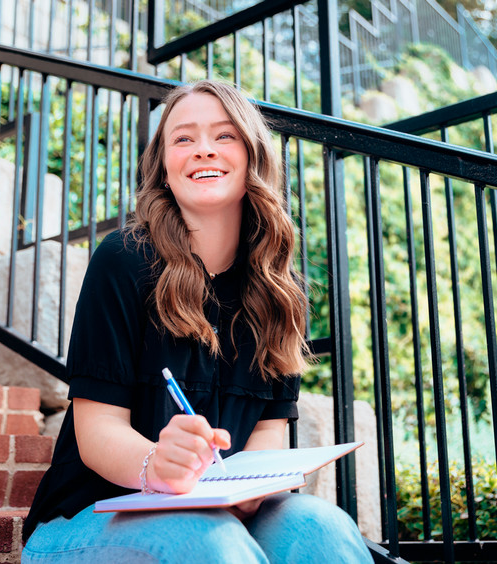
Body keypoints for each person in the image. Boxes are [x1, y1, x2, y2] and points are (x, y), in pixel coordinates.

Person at [21, 80, 372, 563]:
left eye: (224, 136)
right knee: (209, 540)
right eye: (183, 138)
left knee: (321, 526)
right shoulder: (122, 260)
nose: (203, 149)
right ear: (164, 167)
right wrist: (154, 464)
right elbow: (98, 430)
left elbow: (269, 430)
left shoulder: (279, 290)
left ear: (252, 155)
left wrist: (251, 487)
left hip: (217, 513)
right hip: (87, 520)